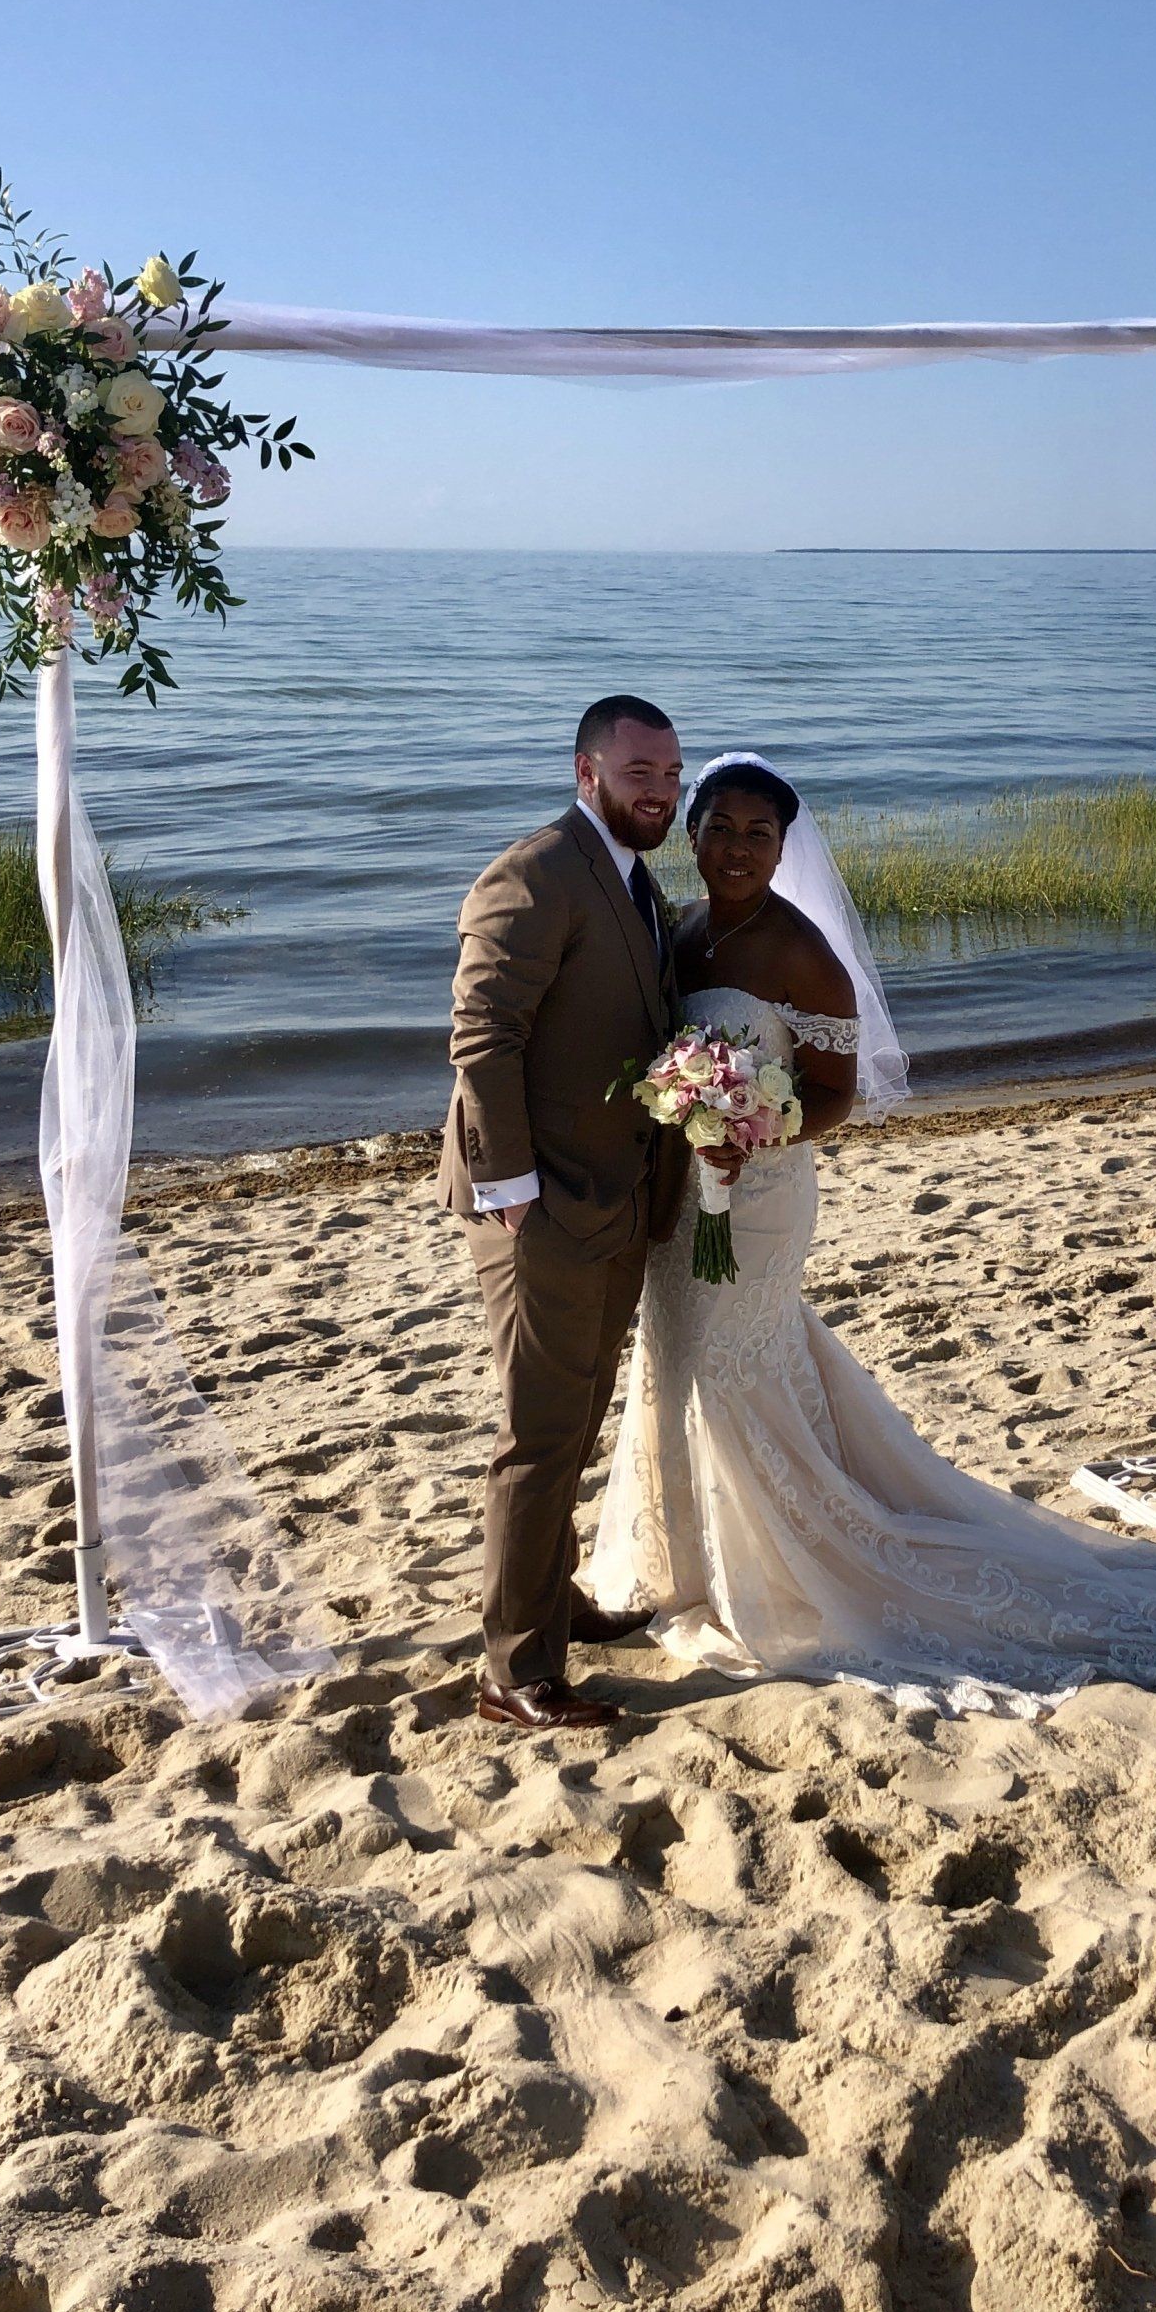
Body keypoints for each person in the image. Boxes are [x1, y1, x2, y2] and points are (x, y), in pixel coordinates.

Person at [585, 751, 1156, 1712]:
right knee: (674, 1361)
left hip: (759, 1201)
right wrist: (693, 1123)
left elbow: (838, 1093)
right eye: (720, 828)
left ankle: (782, 1572)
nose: (738, 848)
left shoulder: (802, 952)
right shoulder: (678, 933)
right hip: (685, 1201)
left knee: (727, 1366)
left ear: (783, 844)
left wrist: (757, 1130)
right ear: (692, 834)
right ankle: (694, 1566)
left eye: (760, 833)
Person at [437, 696, 689, 1731]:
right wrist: (512, 1191)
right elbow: (482, 1029)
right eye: (639, 772)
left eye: (670, 774)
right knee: (539, 1436)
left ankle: (554, 1598)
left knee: (578, 1418)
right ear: (586, 772)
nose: (659, 790)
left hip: (614, 1194)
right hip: (535, 1206)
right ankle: (515, 1673)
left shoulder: (632, 879)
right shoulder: (536, 872)